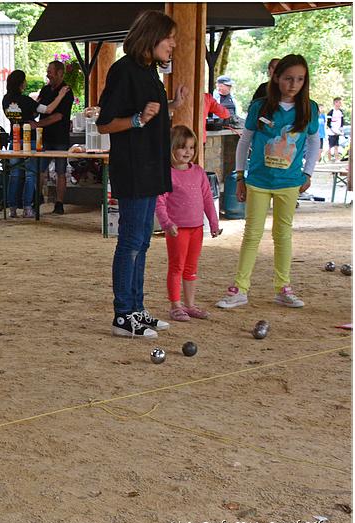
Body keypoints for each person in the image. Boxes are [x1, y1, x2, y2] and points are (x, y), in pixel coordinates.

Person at [96, 9, 187, 338]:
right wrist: (136, 120)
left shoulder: (150, 72)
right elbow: (105, 123)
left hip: (151, 168)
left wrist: (171, 106)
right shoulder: (123, 71)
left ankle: (137, 307)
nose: (174, 44)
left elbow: (151, 114)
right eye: (170, 37)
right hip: (133, 168)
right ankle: (123, 315)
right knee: (131, 242)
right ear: (152, 37)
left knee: (143, 242)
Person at [216, 54, 320, 310]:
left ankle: (283, 287)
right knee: (252, 234)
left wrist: (307, 173)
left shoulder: (310, 108)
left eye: (299, 79)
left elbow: (314, 141)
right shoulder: (260, 106)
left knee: (282, 234)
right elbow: (245, 141)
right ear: (276, 77)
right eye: (288, 79)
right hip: (259, 181)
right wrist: (240, 176)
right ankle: (240, 289)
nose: (293, 84)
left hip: (289, 182)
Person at [155, 125, 221, 322]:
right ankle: (175, 305)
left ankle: (190, 305)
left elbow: (208, 198)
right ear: (172, 148)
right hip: (177, 230)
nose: (188, 152)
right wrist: (166, 223)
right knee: (177, 267)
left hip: (197, 228)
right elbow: (159, 201)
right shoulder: (167, 174)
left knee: (191, 267)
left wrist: (213, 221)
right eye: (182, 147)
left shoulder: (199, 172)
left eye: (191, 148)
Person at [2, 69, 70, 217]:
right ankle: (27, 207)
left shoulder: (6, 100)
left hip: (13, 140)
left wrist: (34, 106)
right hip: (29, 140)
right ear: (22, 84)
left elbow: (28, 113)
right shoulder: (26, 100)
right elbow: (49, 109)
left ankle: (12, 208)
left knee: (14, 174)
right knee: (30, 174)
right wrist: (61, 95)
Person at [30, 60, 75, 215]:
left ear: (60, 73)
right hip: (44, 136)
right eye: (48, 71)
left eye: (50, 71)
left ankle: (59, 203)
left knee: (60, 171)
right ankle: (38, 198)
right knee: (40, 170)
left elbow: (57, 116)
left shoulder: (67, 91)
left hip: (60, 137)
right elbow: (37, 108)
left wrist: (38, 123)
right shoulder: (45, 90)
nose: (48, 74)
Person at [326, 97, 346, 162]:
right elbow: (328, 124)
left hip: (338, 132)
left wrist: (341, 130)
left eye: (341, 102)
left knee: (336, 146)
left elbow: (342, 122)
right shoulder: (331, 112)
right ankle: (329, 160)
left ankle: (337, 159)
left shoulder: (341, 112)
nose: (340, 104)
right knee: (330, 146)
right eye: (339, 102)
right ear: (335, 103)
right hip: (331, 132)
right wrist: (333, 131)